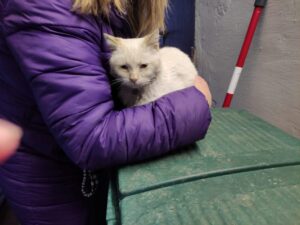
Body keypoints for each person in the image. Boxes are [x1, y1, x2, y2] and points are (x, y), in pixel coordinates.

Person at [0, 0, 212, 224]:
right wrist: (197, 101)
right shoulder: (45, 8)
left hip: (78, 168)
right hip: (48, 173)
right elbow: (91, 138)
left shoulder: (115, 7)